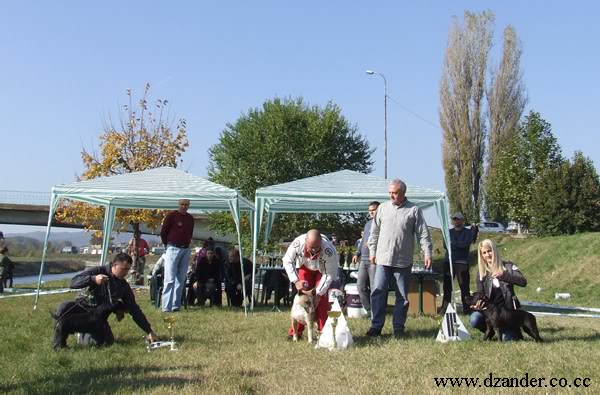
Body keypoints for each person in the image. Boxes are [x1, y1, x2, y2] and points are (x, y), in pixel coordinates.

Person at [367, 179, 432, 337]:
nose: (391, 196)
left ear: (403, 193)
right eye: (390, 193)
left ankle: (398, 328)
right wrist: (372, 251)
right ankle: (376, 326)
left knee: (402, 296)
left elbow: (422, 233)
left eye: (395, 193)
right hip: (382, 259)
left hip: (403, 261)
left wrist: (427, 252)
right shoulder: (382, 208)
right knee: (378, 291)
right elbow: (374, 232)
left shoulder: (414, 210)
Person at [54, 253, 158, 346]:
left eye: (128, 269)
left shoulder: (123, 285)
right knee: (63, 307)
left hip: (97, 319)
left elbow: (134, 308)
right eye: (123, 269)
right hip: (81, 309)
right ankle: (60, 337)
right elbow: (73, 282)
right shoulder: (98, 271)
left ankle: (83, 334)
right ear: (114, 265)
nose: (126, 273)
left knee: (104, 343)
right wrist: (93, 279)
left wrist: (149, 331)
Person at [282, 229, 339, 340]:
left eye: (316, 247)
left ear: (321, 243)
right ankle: (296, 332)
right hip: (305, 266)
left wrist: (319, 293)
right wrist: (296, 281)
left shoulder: (329, 250)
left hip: (322, 271)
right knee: (302, 297)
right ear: (305, 242)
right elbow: (287, 261)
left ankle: (323, 333)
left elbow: (329, 274)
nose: (313, 250)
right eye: (310, 247)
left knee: (321, 300)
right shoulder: (297, 243)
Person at [470, 239, 527, 341]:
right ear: (481, 256)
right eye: (484, 253)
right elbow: (481, 293)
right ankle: (490, 331)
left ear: (494, 250)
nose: (487, 255)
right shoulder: (481, 273)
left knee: (507, 339)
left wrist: (504, 275)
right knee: (474, 319)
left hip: (507, 314)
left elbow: (523, 282)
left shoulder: (508, 266)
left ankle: (514, 331)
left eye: (489, 251)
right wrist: (477, 305)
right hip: (491, 313)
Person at [160, 199, 195, 312]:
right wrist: (168, 244)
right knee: (170, 279)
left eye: (186, 205)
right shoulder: (172, 215)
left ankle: (176, 305)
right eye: (182, 204)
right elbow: (163, 232)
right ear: (178, 205)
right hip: (173, 247)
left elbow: (190, 233)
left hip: (185, 249)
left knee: (181, 279)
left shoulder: (190, 218)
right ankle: (166, 306)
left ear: (189, 206)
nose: (184, 207)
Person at [441, 212, 476, 314]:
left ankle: (467, 309)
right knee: (447, 286)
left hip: (462, 262)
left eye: (458, 219)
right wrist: (457, 245)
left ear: (462, 220)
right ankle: (445, 308)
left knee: (464, 286)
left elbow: (465, 245)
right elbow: (445, 245)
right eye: (454, 219)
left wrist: (454, 244)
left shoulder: (468, 232)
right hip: (449, 261)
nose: (456, 221)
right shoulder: (448, 232)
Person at [352, 201, 380, 319]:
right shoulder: (367, 224)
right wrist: (357, 253)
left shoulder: (383, 223)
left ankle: (376, 314)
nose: (371, 212)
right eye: (369, 210)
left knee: (375, 288)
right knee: (360, 286)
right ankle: (369, 311)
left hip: (374, 259)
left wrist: (374, 243)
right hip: (363, 259)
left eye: (373, 210)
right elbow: (363, 240)